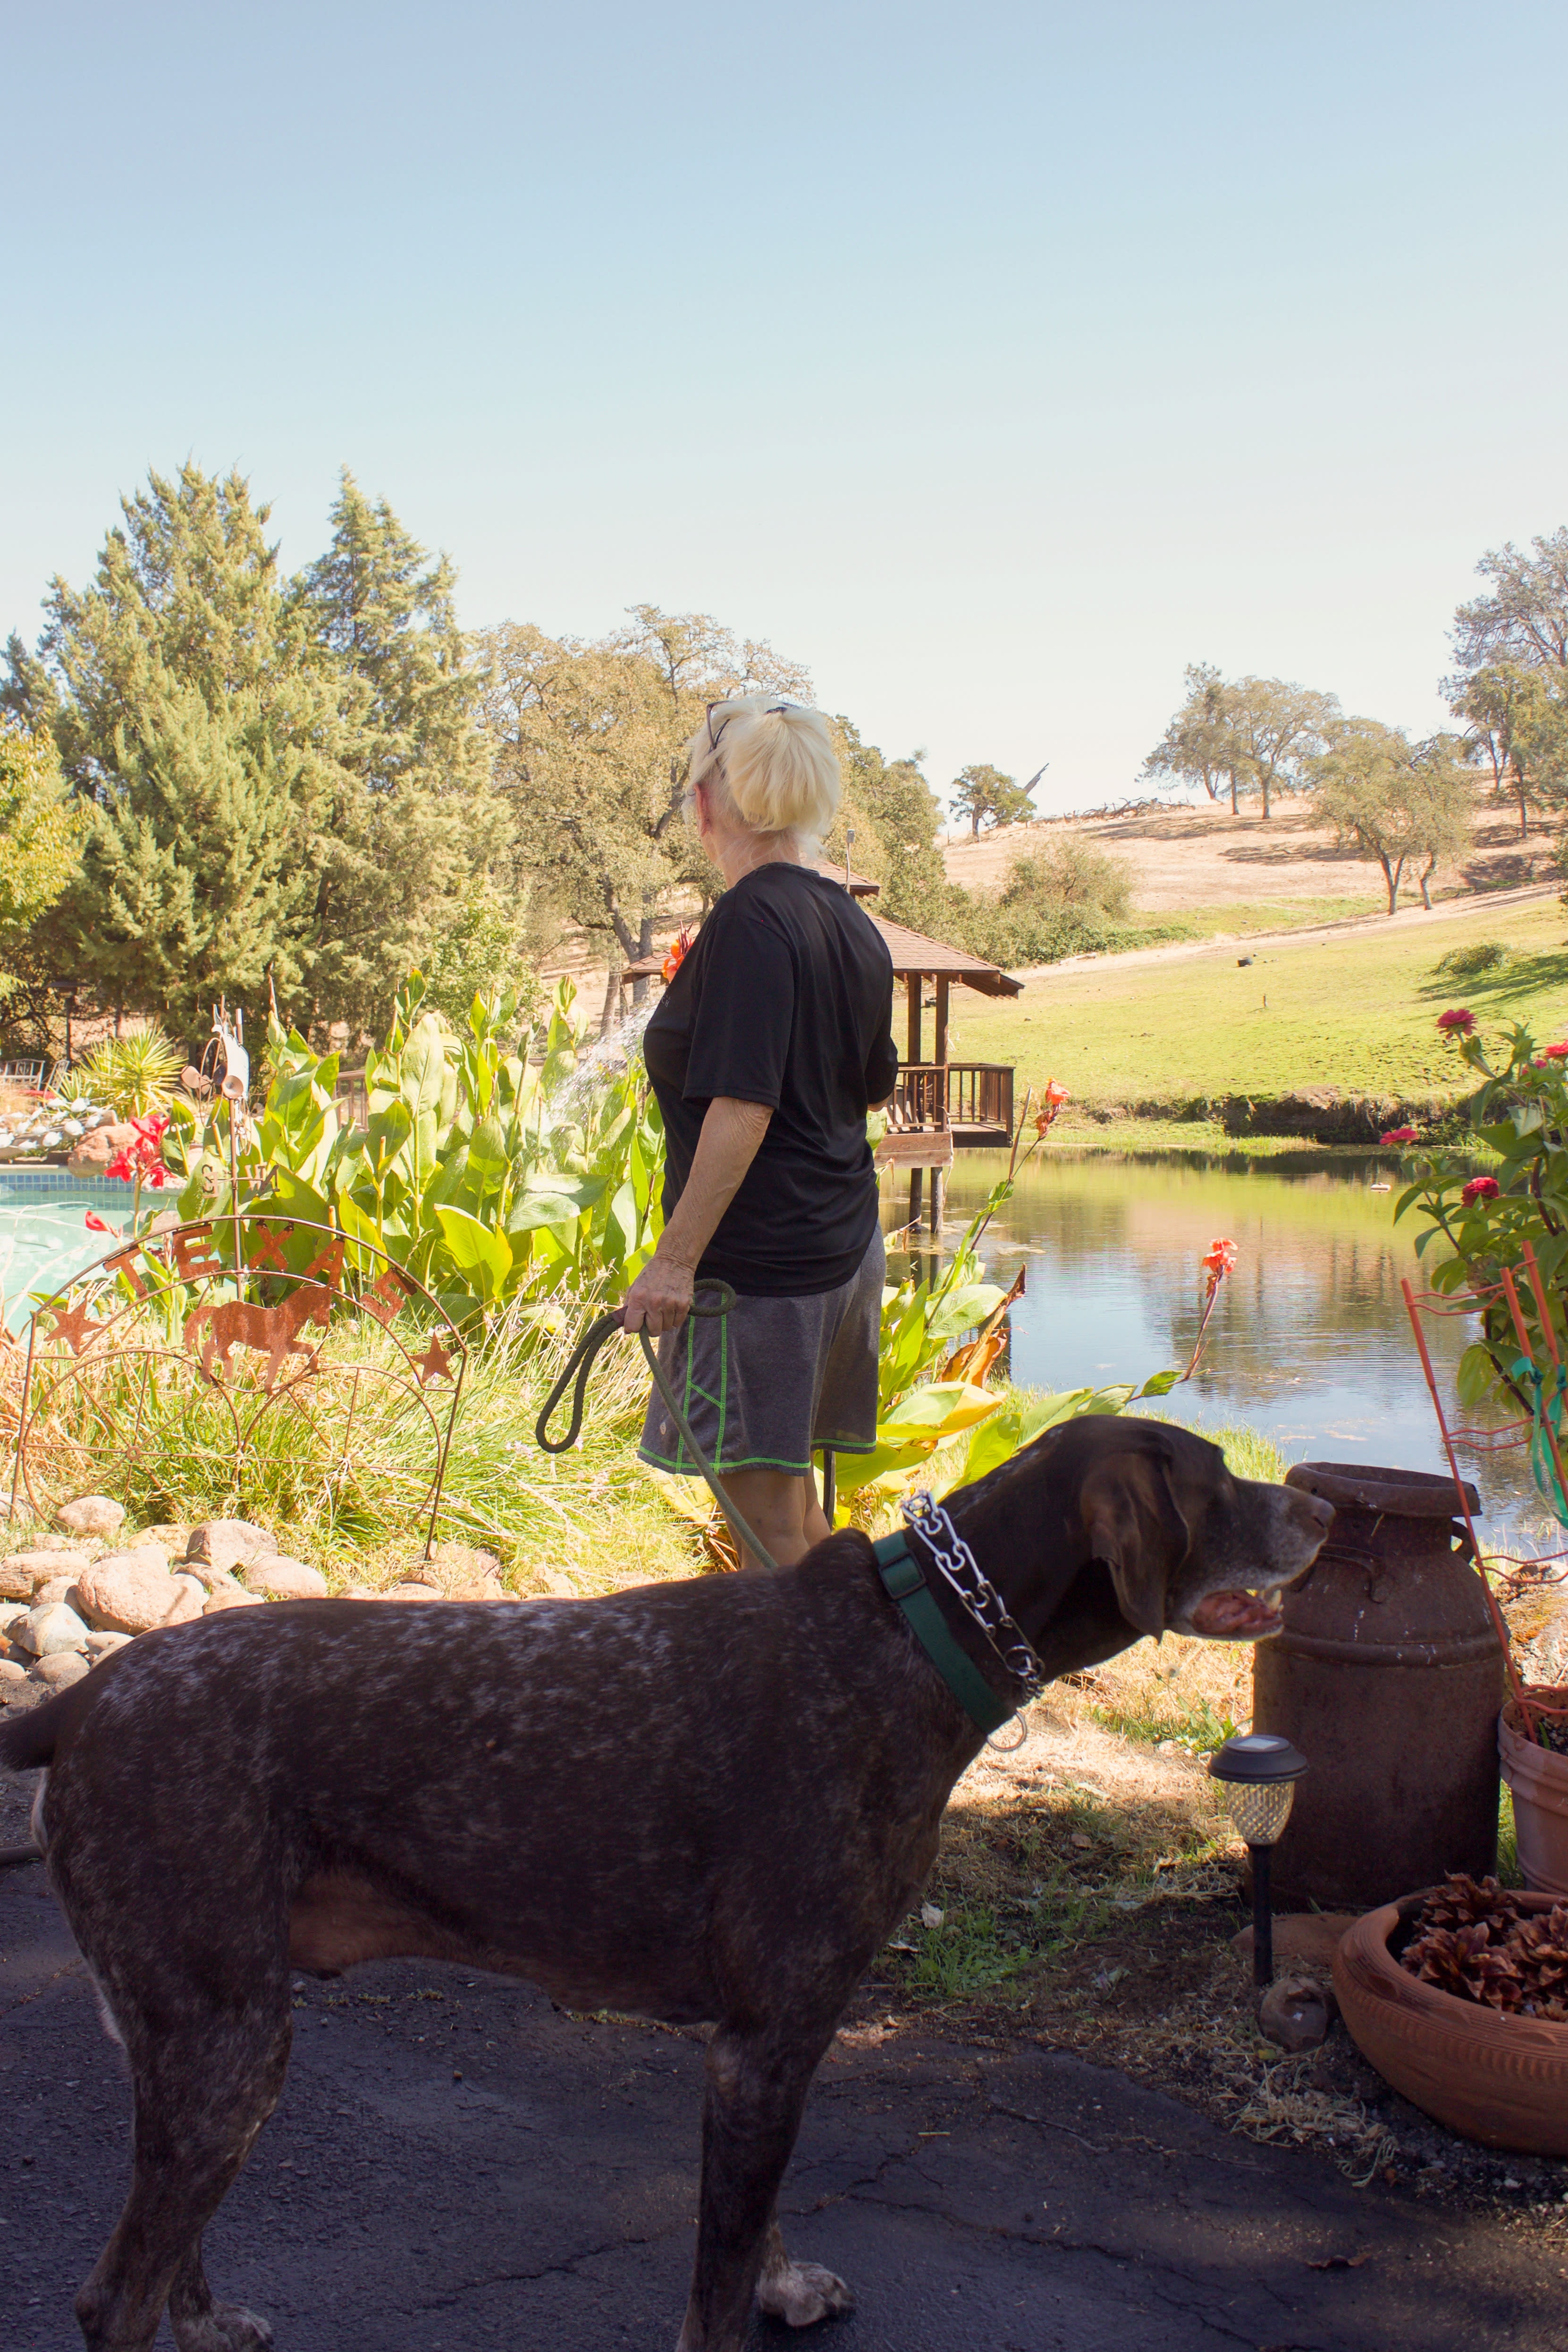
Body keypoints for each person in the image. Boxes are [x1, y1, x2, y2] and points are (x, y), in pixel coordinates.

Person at [623, 693, 898, 1568]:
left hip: (762, 1278)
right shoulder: (851, 923)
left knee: (766, 1531)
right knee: (798, 1520)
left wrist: (673, 1261)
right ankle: (858, 1692)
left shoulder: (746, 923)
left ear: (707, 802)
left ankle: (817, 1706)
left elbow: (744, 1108)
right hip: (840, 1254)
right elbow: (870, 1085)